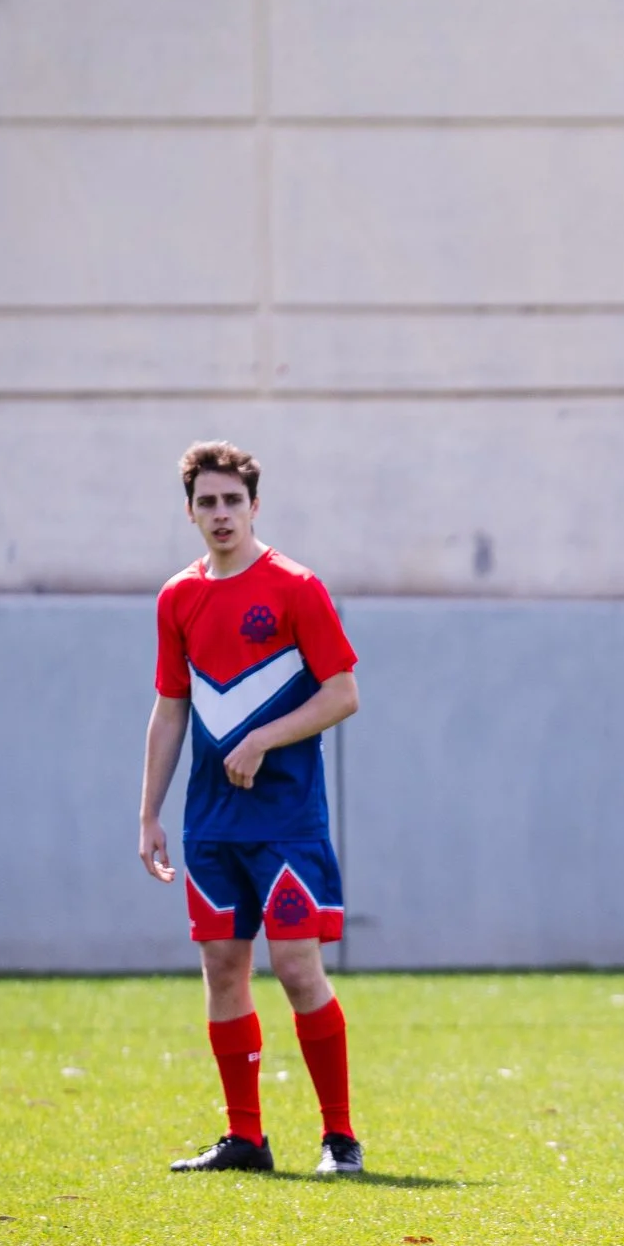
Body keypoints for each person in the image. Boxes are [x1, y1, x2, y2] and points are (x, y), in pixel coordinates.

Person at [139, 442, 365, 1175]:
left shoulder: (297, 587)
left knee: (298, 969)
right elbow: (170, 708)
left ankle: (340, 1139)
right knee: (222, 968)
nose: (221, 514)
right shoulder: (177, 597)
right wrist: (149, 814)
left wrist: (264, 737)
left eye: (232, 500)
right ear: (190, 512)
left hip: (287, 822)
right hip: (210, 825)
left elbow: (343, 692)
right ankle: (246, 1139)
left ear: (254, 505)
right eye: (207, 502)